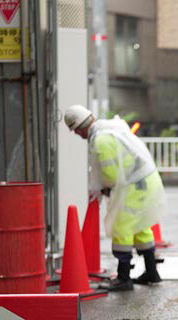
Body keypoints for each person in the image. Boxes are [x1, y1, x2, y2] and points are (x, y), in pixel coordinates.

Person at [64, 105, 166, 291]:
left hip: (134, 186)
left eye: (76, 132)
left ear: (79, 129)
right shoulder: (111, 128)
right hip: (146, 181)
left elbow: (110, 176)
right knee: (141, 227)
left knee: (121, 228)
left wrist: (102, 188)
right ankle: (152, 272)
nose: (78, 136)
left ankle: (123, 278)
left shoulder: (101, 140)